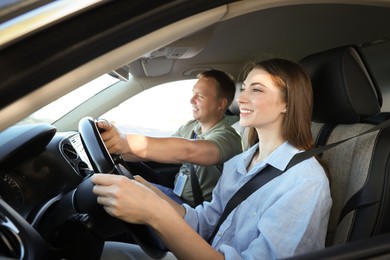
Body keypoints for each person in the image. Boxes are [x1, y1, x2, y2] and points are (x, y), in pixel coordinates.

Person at [92, 58, 332, 259]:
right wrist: (149, 193)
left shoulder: (304, 181)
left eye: (256, 89)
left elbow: (187, 150)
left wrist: (155, 213)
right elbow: (205, 222)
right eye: (244, 88)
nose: (242, 98)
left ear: (287, 104)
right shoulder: (239, 163)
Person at [97, 69, 243, 207]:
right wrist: (114, 148)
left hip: (198, 212)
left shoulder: (229, 138)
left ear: (221, 103)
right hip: (175, 196)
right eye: (193, 93)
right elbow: (161, 150)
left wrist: (125, 141)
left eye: (201, 96)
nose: (192, 100)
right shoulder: (191, 127)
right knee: (123, 186)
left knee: (120, 194)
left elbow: (188, 151)